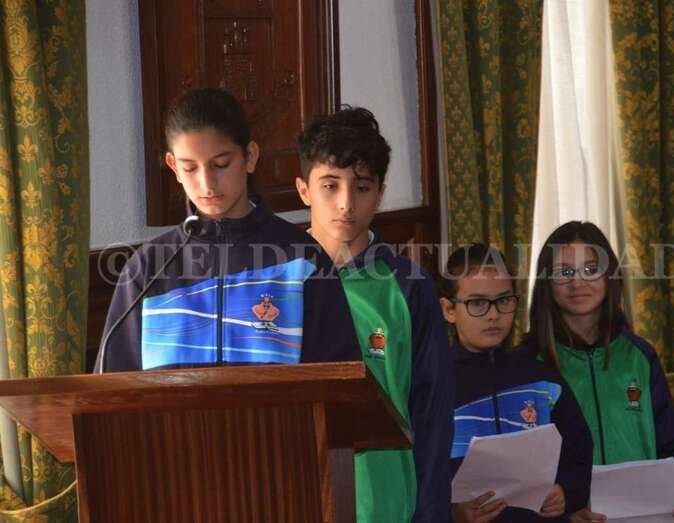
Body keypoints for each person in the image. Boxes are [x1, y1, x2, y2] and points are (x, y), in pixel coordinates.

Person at [97, 87, 359, 372]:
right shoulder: (149, 269)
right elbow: (113, 388)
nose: (207, 184)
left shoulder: (301, 258)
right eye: (190, 168)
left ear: (250, 156)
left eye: (221, 164)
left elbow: (341, 379)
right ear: (173, 165)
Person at [295, 106, 453, 522]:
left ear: (380, 193)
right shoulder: (275, 284)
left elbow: (433, 414)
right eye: (330, 185)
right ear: (304, 190)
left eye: (361, 187)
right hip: (298, 498)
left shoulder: (409, 287)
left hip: (388, 502)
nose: (346, 203)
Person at [526, 221, 674, 523]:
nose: (578, 282)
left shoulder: (640, 357)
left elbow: (668, 446)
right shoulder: (528, 365)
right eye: (564, 272)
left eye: (591, 269)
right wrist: (566, 513)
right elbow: (522, 470)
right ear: (546, 283)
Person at [439, 243, 593, 523]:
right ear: (449, 309)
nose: (493, 314)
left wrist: (566, 492)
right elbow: (416, 476)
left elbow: (579, 455)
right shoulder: (432, 387)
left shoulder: (543, 380)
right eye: (477, 303)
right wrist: (451, 514)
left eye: (504, 300)